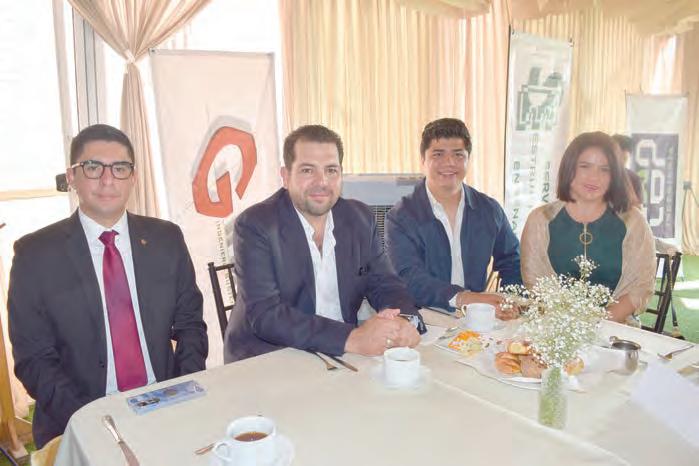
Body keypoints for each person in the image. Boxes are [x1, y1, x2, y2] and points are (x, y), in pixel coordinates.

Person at [8, 124, 208, 447]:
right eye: (93, 167)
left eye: (119, 168)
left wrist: (183, 391)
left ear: (133, 177)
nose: (107, 179)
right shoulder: (35, 255)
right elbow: (34, 359)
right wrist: (92, 421)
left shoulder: (166, 239)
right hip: (79, 416)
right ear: (72, 177)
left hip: (164, 404)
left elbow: (190, 326)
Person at [224, 125, 424, 363]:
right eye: (307, 170)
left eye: (331, 170)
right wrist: (353, 338)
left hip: (343, 355)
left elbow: (386, 284)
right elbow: (267, 315)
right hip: (271, 357)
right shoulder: (256, 225)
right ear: (286, 177)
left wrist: (403, 321)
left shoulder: (359, 218)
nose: (322, 182)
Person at [384, 118, 521, 318]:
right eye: (438, 154)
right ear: (423, 160)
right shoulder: (401, 217)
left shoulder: (489, 210)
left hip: (478, 316)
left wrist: (509, 301)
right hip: (424, 318)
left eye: (458, 155)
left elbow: (512, 260)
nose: (449, 163)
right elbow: (409, 278)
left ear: (468, 159)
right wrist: (464, 298)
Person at [520, 131, 655, 324]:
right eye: (585, 166)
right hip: (553, 326)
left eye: (605, 169)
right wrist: (568, 327)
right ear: (569, 168)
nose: (594, 177)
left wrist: (597, 324)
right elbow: (535, 280)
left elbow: (640, 286)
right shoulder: (541, 220)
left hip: (615, 328)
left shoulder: (633, 222)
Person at [611, 134, 643, 207]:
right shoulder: (601, 175)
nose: (619, 163)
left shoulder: (634, 178)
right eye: (616, 158)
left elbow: (638, 208)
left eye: (624, 159)